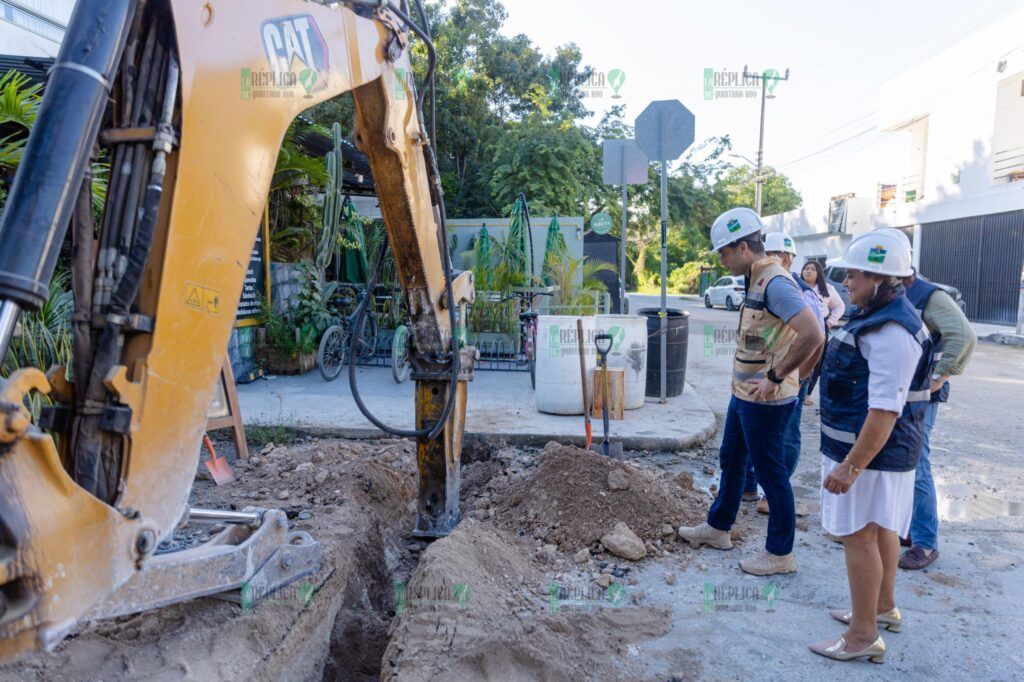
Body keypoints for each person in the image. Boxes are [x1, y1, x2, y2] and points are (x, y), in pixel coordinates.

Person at [808, 231, 935, 663]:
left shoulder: (890, 331)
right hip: (878, 454)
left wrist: (850, 467)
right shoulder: (880, 316)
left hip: (873, 455)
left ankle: (863, 636)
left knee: (858, 535)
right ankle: (882, 609)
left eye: (855, 276)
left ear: (881, 279)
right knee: (880, 528)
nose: (847, 284)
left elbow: (884, 412)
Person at [679, 209, 824, 576]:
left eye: (724, 253)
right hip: (744, 394)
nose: (721, 259)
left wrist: (777, 377)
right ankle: (718, 529)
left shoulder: (776, 283)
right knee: (732, 459)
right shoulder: (754, 279)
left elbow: (813, 334)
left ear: (744, 247)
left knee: (771, 473)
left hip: (766, 399)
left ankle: (780, 553)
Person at [864, 229, 976, 571]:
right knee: (896, 460)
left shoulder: (929, 295)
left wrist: (938, 377)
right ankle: (907, 529)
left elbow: (964, 337)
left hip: (919, 397)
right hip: (897, 391)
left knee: (918, 464)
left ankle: (926, 542)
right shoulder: (888, 292)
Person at [743, 232, 824, 517]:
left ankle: (771, 495)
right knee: (755, 434)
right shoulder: (762, 284)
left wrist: (798, 377)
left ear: (788, 258)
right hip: (764, 377)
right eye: (769, 254)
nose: (771, 260)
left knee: (785, 435)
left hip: (787, 378)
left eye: (778, 255)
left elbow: (817, 339)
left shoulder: (796, 291)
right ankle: (750, 486)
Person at [800, 260, 844, 404]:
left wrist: (831, 322)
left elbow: (839, 306)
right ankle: (795, 387)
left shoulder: (827, 289)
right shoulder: (795, 286)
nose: (808, 271)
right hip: (799, 326)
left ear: (819, 273)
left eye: (812, 269)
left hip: (820, 327)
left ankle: (807, 393)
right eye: (806, 268)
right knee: (800, 356)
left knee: (816, 361)